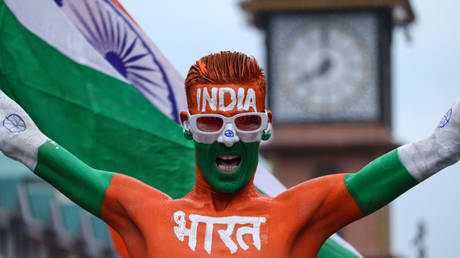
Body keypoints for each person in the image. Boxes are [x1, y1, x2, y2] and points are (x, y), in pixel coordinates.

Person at [0, 51, 458, 257]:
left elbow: (369, 182)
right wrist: (18, 138)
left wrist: (443, 145)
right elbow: (57, 162)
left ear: (265, 127)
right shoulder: (144, 211)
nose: (227, 139)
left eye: (243, 124)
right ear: (188, 126)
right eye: (212, 124)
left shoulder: (296, 214)